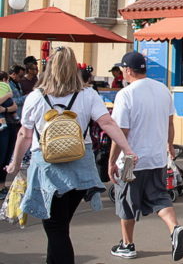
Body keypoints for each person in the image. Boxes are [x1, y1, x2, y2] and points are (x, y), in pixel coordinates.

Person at [5, 46, 137, 264]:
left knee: (55, 227)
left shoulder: (35, 97)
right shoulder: (88, 94)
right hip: (81, 167)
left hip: (47, 167)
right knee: (61, 224)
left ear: (49, 68)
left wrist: (15, 163)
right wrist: (128, 150)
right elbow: (107, 123)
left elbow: (25, 135)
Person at [108, 51, 183, 261]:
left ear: (127, 70)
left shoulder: (125, 94)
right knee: (160, 197)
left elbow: (120, 132)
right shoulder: (162, 90)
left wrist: (111, 161)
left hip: (129, 160)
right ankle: (175, 228)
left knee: (126, 201)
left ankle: (127, 244)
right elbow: (170, 122)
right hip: (157, 157)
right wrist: (170, 146)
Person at [0, 71, 18, 200]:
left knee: (6, 157)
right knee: (1, 156)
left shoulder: (6, 90)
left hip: (11, 125)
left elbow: (14, 107)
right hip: (2, 129)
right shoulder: (5, 91)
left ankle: (2, 186)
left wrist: (5, 109)